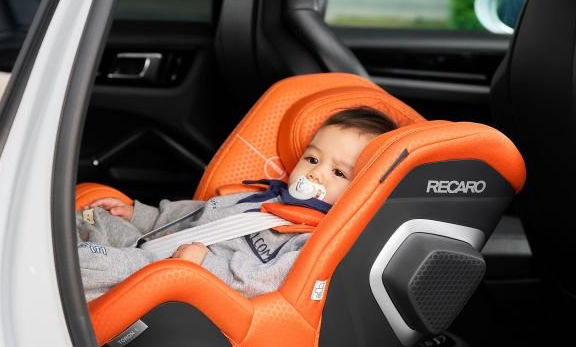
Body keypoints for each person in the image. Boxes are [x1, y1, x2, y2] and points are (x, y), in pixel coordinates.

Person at [78, 106, 397, 301]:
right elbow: (197, 214)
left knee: (86, 263)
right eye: (312, 159)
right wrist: (142, 215)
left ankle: (63, 267)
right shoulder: (263, 195)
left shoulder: (312, 242)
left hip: (183, 284)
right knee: (95, 217)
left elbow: (264, 283)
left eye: (339, 172)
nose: (315, 173)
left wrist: (204, 265)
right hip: (159, 247)